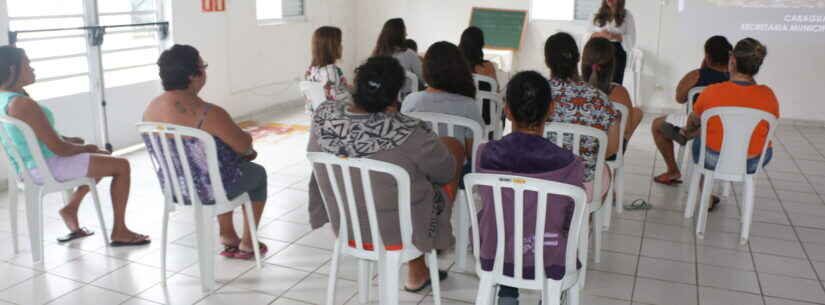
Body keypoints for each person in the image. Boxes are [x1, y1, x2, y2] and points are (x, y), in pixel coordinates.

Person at [307, 56, 465, 292]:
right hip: (398, 231)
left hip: (348, 224)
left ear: (355, 86)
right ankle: (429, 247)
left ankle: (419, 268)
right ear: (395, 96)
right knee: (450, 152)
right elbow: (445, 173)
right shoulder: (411, 131)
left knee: (398, 183)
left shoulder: (324, 116)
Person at [0, 46, 150, 246]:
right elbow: (59, 149)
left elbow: (34, 135)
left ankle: (71, 208)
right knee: (121, 165)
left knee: (104, 157)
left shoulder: (6, 98)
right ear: (12, 70)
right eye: (27, 64)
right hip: (45, 167)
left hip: (31, 166)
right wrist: (86, 148)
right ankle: (120, 231)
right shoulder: (21, 103)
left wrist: (70, 140)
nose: (32, 68)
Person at [143, 45, 268, 259]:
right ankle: (248, 243)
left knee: (216, 167)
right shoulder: (209, 113)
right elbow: (244, 146)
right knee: (256, 173)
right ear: (194, 75)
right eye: (204, 66)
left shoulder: (150, 109)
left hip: (175, 187)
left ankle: (228, 235)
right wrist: (245, 144)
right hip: (208, 190)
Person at [476, 71, 587, 305]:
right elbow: (569, 218)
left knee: (505, 222)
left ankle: (507, 295)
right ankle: (548, 297)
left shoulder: (484, 154)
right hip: (549, 256)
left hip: (497, 253)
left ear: (507, 110)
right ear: (551, 109)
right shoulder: (570, 163)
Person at [682, 38, 778, 210]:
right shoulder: (768, 95)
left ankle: (705, 194)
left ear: (732, 60)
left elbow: (693, 121)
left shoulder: (712, 92)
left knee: (702, 138)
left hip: (713, 159)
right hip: (752, 162)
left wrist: (689, 131)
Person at [545, 32, 618, 198]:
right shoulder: (600, 98)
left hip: (543, 181)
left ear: (547, 62)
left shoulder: (538, 93)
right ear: (578, 59)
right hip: (585, 187)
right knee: (605, 169)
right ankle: (584, 221)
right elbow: (612, 147)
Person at [652, 36, 732, 186]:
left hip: (695, 124)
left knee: (657, 125)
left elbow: (679, 98)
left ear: (707, 56)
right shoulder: (734, 79)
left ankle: (673, 170)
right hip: (725, 128)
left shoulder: (696, 75)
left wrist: (703, 69)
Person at [401, 41, 483, 163]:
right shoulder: (469, 105)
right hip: (456, 174)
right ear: (460, 69)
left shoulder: (411, 100)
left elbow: (404, 143)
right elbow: (473, 153)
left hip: (418, 172)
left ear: (426, 69)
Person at [581, 37, 644, 148]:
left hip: (572, 150)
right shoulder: (620, 92)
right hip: (608, 152)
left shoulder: (572, 87)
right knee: (637, 112)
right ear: (612, 65)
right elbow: (627, 128)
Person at [304, 26, 353, 111]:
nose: (342, 46)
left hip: (318, 115)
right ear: (332, 47)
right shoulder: (330, 72)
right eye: (340, 43)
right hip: (339, 115)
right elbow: (332, 104)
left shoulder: (311, 69)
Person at [589, 0, 636, 85]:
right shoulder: (598, 13)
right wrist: (600, 34)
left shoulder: (627, 15)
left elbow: (631, 39)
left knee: (613, 83)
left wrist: (614, 36)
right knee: (596, 82)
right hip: (598, 51)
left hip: (617, 53)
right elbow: (588, 34)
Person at [371, 18, 424, 83]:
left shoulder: (375, 55)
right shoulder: (409, 54)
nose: (406, 34)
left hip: (381, 92)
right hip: (406, 93)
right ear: (400, 34)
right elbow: (424, 78)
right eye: (404, 32)